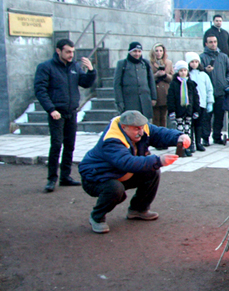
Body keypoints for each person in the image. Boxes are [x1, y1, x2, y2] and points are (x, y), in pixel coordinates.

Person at [79, 110, 191, 234]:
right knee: (115, 188)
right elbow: (127, 163)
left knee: (152, 171)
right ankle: (97, 217)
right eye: (137, 129)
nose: (141, 132)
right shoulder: (112, 140)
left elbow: (159, 133)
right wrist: (158, 160)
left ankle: (138, 209)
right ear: (123, 127)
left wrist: (179, 137)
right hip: (96, 178)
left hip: (120, 174)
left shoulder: (141, 128)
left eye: (142, 128)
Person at [34, 39, 97, 192]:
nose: (71, 55)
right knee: (56, 145)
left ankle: (65, 177)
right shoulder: (46, 67)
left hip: (71, 112)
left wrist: (91, 71)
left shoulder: (74, 66)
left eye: (72, 52)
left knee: (70, 145)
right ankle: (51, 179)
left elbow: (85, 83)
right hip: (56, 113)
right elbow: (40, 90)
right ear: (58, 51)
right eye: (68, 52)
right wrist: (51, 109)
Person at [200, 36, 229, 145]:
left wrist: (226, 82)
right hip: (206, 93)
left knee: (219, 116)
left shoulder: (223, 57)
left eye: (215, 42)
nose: (213, 44)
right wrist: (206, 70)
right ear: (206, 44)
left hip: (220, 91)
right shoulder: (202, 57)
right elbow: (198, 71)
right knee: (206, 117)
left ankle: (217, 136)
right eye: (210, 42)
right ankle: (205, 137)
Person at [114, 42, 157, 121]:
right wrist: (119, 102)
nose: (137, 54)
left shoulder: (145, 63)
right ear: (130, 52)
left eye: (139, 51)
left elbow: (151, 81)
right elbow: (117, 85)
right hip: (129, 102)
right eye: (135, 51)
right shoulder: (122, 64)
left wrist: (153, 97)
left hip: (145, 102)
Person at [167, 60, 200, 157]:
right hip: (178, 111)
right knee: (180, 130)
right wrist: (171, 110)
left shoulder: (191, 84)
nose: (183, 72)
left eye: (185, 70)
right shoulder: (174, 84)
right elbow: (170, 98)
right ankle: (181, 149)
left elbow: (195, 98)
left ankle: (188, 147)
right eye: (181, 70)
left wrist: (196, 110)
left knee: (188, 130)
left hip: (188, 111)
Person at [186, 52, 214, 149]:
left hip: (201, 103)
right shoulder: (187, 75)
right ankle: (191, 143)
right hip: (190, 104)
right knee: (190, 125)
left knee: (199, 124)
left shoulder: (204, 75)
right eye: (192, 62)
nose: (194, 64)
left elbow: (209, 89)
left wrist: (209, 102)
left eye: (196, 62)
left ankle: (199, 142)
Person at [149, 43, 173, 127]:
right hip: (155, 92)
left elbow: (172, 78)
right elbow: (147, 78)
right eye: (156, 51)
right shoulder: (149, 63)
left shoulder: (168, 63)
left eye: (160, 51)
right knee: (155, 118)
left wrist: (165, 75)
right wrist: (156, 75)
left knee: (164, 118)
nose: (158, 53)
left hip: (165, 92)